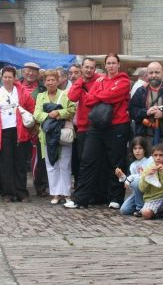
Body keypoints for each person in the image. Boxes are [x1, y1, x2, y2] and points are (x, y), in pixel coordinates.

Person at [65, 53, 130, 209]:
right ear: (105, 65)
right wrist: (102, 96)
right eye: (109, 63)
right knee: (87, 160)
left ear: (118, 65)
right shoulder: (99, 81)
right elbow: (88, 100)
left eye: (114, 63)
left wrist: (99, 96)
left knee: (115, 162)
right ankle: (81, 198)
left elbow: (113, 95)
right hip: (96, 126)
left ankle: (115, 197)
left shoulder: (124, 81)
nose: (111, 66)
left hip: (117, 125)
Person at [0, 65, 35, 202]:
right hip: (2, 132)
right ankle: (8, 193)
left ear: (15, 78)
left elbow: (31, 107)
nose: (7, 79)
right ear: (1, 78)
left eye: (10, 77)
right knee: (5, 164)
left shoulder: (22, 91)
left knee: (20, 163)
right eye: (5, 77)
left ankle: (21, 192)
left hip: (19, 131)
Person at [34, 69, 76, 205]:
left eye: (53, 80)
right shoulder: (40, 96)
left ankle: (67, 193)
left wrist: (58, 112)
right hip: (47, 135)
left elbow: (72, 109)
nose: (50, 82)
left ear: (58, 81)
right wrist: (48, 115)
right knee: (51, 165)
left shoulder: (65, 94)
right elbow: (37, 114)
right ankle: (56, 193)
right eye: (48, 80)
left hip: (63, 133)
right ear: (44, 82)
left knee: (65, 164)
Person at [129, 61, 163, 147]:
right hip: (145, 138)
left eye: (157, 72)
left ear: (162, 73)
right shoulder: (141, 91)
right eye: (151, 73)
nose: (154, 75)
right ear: (147, 74)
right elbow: (132, 112)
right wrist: (146, 112)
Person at [67, 58, 97, 188]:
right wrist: (80, 81)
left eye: (91, 67)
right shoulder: (79, 83)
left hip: (97, 125)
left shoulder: (99, 79)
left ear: (94, 69)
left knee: (95, 160)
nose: (89, 70)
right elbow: (72, 97)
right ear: (82, 69)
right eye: (86, 67)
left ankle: (93, 189)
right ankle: (81, 187)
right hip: (83, 128)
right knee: (82, 159)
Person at [116, 136, 153, 216]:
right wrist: (122, 177)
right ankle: (142, 205)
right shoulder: (132, 165)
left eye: (140, 148)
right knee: (124, 210)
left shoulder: (150, 160)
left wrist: (131, 178)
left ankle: (140, 208)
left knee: (137, 180)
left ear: (145, 149)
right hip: (138, 194)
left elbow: (146, 178)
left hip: (150, 190)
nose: (137, 151)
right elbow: (133, 186)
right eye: (135, 149)